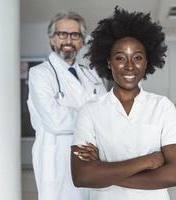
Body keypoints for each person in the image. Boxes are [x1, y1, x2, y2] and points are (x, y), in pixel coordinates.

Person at [70, 7, 176, 200]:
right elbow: (82, 176)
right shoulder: (90, 111)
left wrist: (103, 171)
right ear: (108, 62)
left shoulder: (162, 106)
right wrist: (148, 161)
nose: (130, 66)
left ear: (147, 62)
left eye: (137, 58)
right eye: (120, 58)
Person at [27, 11, 106, 200]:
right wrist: (92, 118)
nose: (68, 40)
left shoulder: (91, 75)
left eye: (75, 35)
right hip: (57, 158)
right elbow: (55, 121)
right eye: (62, 34)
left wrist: (85, 116)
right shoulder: (40, 74)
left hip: (92, 157)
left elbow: (108, 110)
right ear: (52, 39)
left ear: (81, 41)